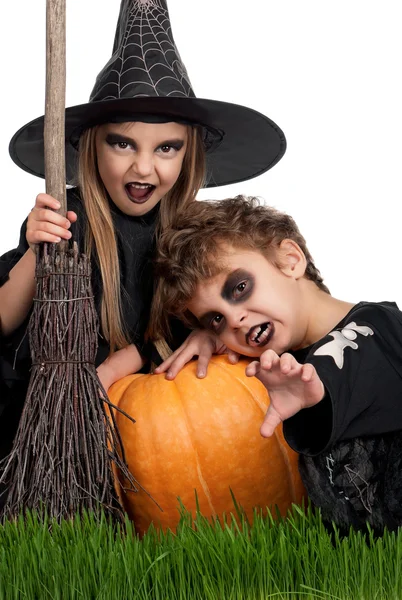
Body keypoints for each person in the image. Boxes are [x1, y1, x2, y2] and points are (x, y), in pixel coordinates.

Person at [0, 0, 286, 466]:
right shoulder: (68, 214)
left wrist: (145, 356)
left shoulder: (194, 234)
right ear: (93, 145)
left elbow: (220, 316)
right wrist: (37, 251)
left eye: (167, 148)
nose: (144, 167)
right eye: (122, 143)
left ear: (189, 153)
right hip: (45, 408)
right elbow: (4, 322)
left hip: (145, 408)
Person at [150, 195, 402, 533]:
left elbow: (340, 367)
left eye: (239, 288)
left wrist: (312, 398)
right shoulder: (282, 364)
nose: (235, 320)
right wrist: (209, 338)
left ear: (290, 260)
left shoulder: (378, 325)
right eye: (215, 319)